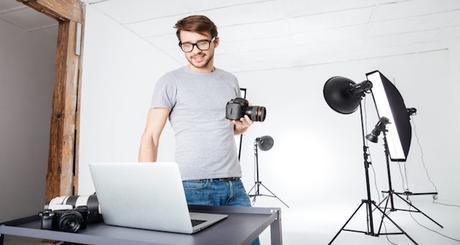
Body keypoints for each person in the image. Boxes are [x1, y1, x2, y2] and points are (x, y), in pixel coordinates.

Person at [138, 15, 260, 244]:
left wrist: (240, 129)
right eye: (187, 45)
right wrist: (148, 188)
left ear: (216, 41)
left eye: (202, 43)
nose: (195, 50)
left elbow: (221, 128)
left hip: (234, 183)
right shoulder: (169, 81)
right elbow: (151, 136)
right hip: (193, 186)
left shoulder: (230, 80)